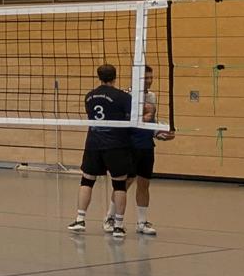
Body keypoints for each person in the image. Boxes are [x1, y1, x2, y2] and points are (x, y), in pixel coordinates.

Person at [68, 64, 135, 238]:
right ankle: (118, 225)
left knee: (87, 181)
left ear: (99, 77)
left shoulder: (89, 96)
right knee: (119, 184)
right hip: (116, 145)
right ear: (115, 76)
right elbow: (130, 119)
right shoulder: (123, 97)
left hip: (93, 144)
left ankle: (80, 219)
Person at [132, 65, 171, 236]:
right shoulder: (128, 96)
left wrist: (158, 133)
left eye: (151, 77)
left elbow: (150, 123)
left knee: (144, 183)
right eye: (146, 78)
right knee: (124, 183)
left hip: (147, 145)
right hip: (131, 145)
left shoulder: (152, 96)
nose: (149, 80)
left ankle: (142, 222)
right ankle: (111, 217)